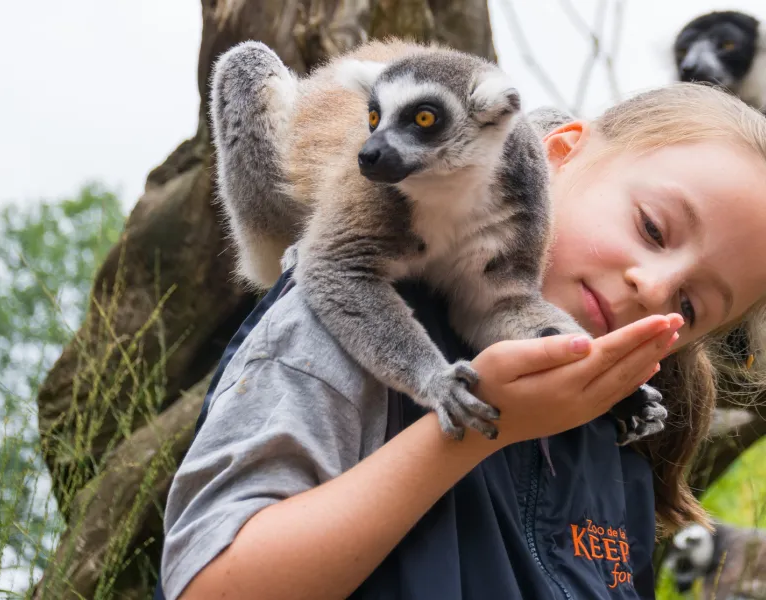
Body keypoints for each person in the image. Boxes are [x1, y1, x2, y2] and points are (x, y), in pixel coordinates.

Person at [158, 83, 766, 600]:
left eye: (689, 305)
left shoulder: (621, 458)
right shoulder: (358, 314)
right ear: (557, 155)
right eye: (653, 229)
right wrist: (478, 424)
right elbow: (209, 582)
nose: (653, 287)